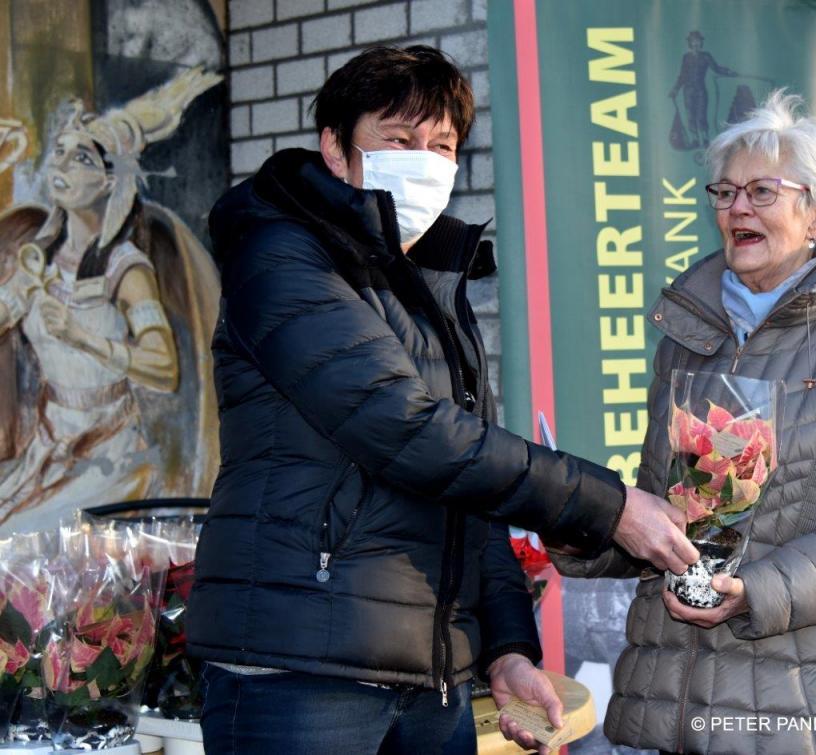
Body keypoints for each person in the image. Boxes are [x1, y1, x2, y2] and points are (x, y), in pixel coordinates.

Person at [186, 45, 697, 755]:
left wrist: (507, 647)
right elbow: (409, 432)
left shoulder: (428, 283)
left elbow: (468, 489)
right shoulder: (281, 256)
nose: (423, 162)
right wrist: (610, 506)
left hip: (432, 682)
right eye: (398, 140)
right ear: (335, 147)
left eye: (442, 145)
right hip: (300, 675)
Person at [552, 91, 816, 754]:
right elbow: (665, 517)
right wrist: (585, 526)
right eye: (725, 192)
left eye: (762, 192)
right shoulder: (685, 343)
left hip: (799, 713)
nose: (736, 208)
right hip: (673, 703)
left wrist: (752, 591)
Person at [0, 68, 221, 532]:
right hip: (47, 448)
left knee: (23, 538)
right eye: (59, 153)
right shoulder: (38, 258)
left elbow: (164, 367)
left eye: (80, 158)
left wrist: (80, 336)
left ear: (107, 181)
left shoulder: (126, 269)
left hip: (106, 456)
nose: (61, 166)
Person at [668, 31, 736, 148]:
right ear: (690, 43)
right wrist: (675, 89)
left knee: (701, 115)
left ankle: (705, 139)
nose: (696, 44)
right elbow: (682, 76)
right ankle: (695, 140)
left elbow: (716, 68)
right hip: (688, 91)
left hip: (700, 90)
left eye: (698, 41)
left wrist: (728, 72)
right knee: (690, 116)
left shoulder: (706, 56)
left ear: (701, 43)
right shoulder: (686, 58)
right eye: (693, 41)